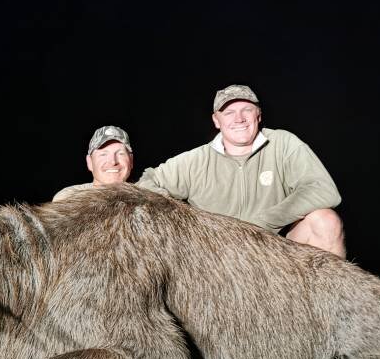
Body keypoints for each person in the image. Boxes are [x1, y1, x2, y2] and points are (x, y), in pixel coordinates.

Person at [136, 85, 346, 257]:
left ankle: (331, 305)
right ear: (216, 121)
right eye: (228, 112)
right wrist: (184, 219)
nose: (239, 118)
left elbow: (323, 190)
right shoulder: (195, 160)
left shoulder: (284, 144)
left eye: (246, 110)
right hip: (218, 256)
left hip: (274, 249)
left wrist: (261, 224)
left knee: (326, 221)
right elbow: (147, 181)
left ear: (259, 115)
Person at [53, 125, 134, 201]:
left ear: (131, 160)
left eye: (121, 153)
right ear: (90, 162)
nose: (113, 162)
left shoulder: (145, 195)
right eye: (103, 154)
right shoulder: (68, 198)